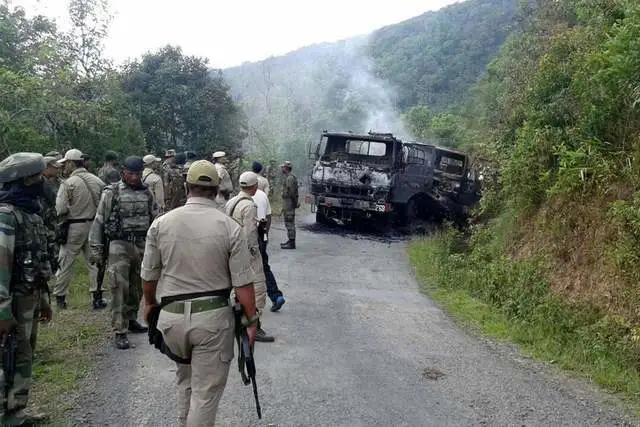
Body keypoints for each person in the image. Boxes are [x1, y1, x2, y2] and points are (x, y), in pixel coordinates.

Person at [141, 160, 258, 426]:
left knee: (185, 380)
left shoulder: (161, 224)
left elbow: (148, 276)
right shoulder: (229, 227)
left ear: (186, 188)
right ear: (216, 191)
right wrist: (251, 321)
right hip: (212, 323)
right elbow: (243, 285)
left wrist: (149, 304)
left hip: (171, 320)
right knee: (204, 395)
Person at [0, 152, 53, 426]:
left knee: (23, 355)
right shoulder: (7, 217)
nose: (42, 181)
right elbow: (1, 266)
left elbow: (39, 260)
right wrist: (2, 311)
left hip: (29, 297)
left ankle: (15, 411)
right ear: (25, 181)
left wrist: (44, 300)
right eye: (37, 177)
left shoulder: (31, 215)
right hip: (12, 301)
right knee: (6, 357)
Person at [89, 156, 158, 349]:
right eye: (131, 173)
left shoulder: (147, 192)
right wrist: (96, 249)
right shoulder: (112, 192)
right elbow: (99, 220)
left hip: (141, 244)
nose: (135, 177)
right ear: (123, 172)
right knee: (119, 287)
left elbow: (155, 219)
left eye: (138, 174)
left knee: (137, 286)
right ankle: (120, 330)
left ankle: (131, 318)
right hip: (119, 244)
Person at [54, 149, 106, 309]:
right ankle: (97, 297)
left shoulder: (68, 183)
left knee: (65, 262)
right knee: (94, 262)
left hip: (74, 227)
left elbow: (60, 209)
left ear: (71, 163)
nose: (64, 167)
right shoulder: (97, 181)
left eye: (65, 164)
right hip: (94, 226)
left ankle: (60, 298)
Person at [226, 172, 275, 342]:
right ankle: (255, 325)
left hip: (231, 251)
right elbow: (249, 235)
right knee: (258, 289)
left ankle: (235, 323)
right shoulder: (249, 206)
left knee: (236, 288)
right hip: (246, 254)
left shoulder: (231, 202)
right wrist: (254, 253)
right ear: (254, 187)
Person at [252, 185, 286, 312]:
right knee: (264, 267)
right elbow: (269, 217)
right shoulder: (263, 196)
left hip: (247, 238)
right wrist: (265, 234)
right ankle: (276, 296)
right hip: (261, 235)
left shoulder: (239, 199)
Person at [41, 156, 63, 273]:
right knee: (51, 243)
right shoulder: (44, 183)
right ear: (47, 167)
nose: (57, 170)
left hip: (48, 218)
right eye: (55, 168)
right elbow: (54, 200)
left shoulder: (46, 181)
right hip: (47, 219)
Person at [280, 161, 299, 249]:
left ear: (286, 168)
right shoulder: (289, 178)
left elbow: (291, 193)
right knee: (288, 222)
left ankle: (292, 242)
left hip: (289, 203)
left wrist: (294, 203)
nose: (282, 169)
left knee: (289, 222)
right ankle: (290, 240)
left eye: (283, 167)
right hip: (288, 203)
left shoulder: (290, 178)